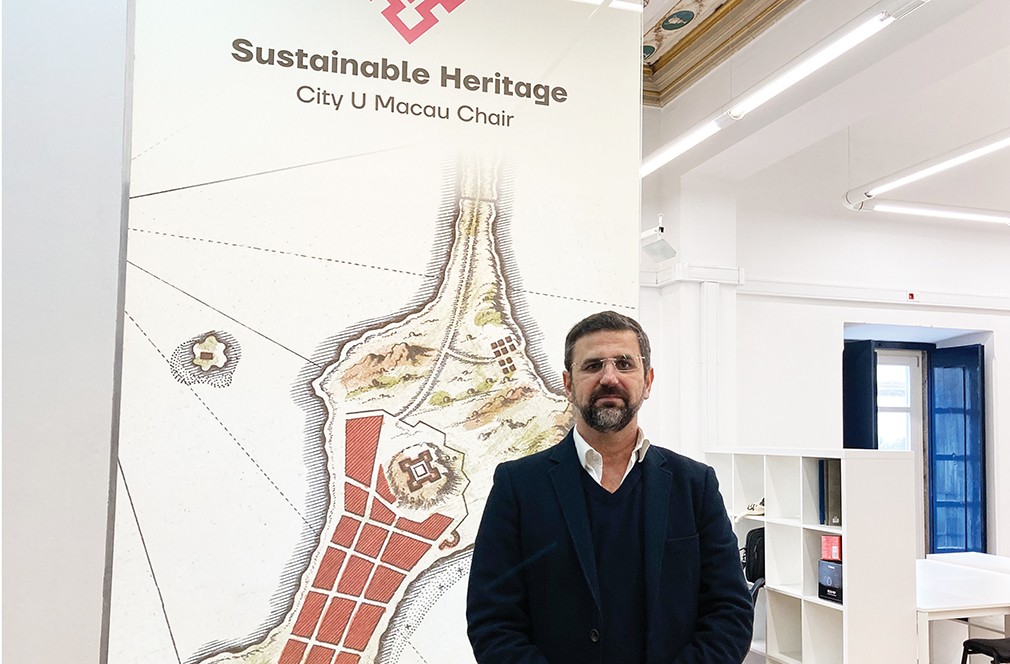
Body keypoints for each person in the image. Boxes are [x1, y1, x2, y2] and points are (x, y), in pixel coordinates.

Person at [466, 311, 753, 663]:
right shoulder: (518, 487)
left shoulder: (695, 486)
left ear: (647, 381)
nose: (609, 377)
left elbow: (730, 613)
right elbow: (493, 621)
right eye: (592, 366)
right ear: (568, 384)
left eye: (624, 364)